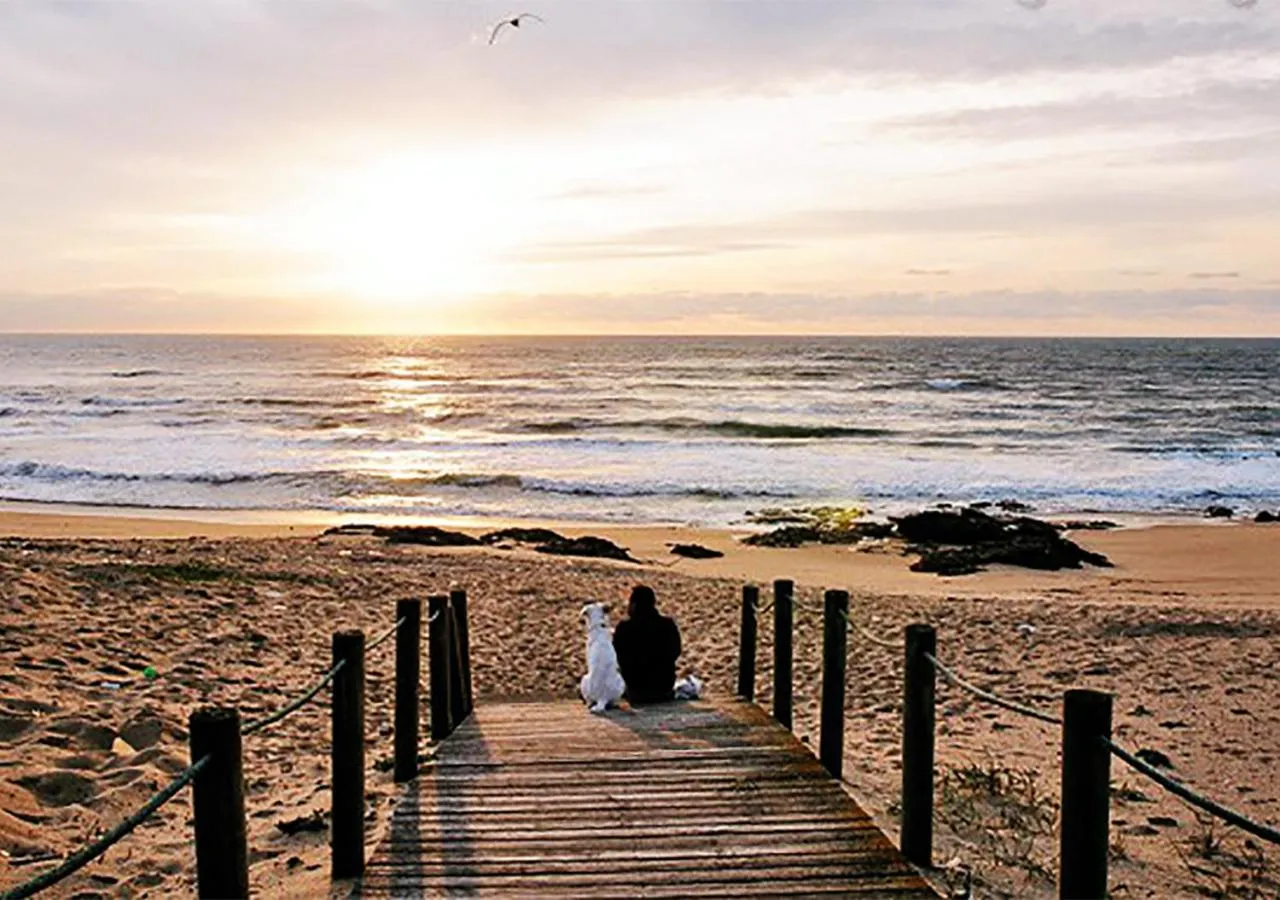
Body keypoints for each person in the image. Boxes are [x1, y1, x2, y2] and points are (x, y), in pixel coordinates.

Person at [612, 584, 682, 704]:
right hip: (663, 689)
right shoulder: (667, 625)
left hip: (636, 691)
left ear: (634, 605)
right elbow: (676, 651)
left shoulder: (625, 628)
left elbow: (616, 657)